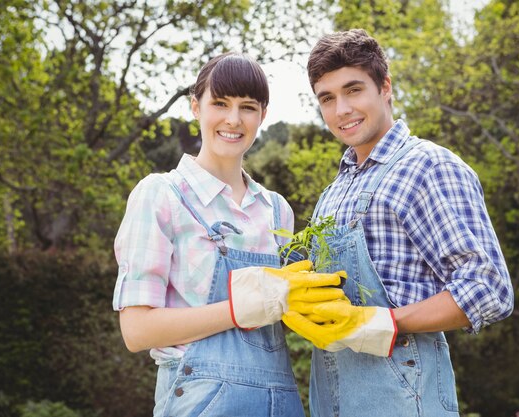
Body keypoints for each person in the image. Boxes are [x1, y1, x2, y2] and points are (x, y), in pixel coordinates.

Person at [282, 29, 515, 417]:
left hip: (404, 399)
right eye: (328, 98)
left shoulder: (428, 166)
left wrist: (382, 321)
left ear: (385, 86)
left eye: (353, 90)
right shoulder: (333, 192)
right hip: (333, 398)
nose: (341, 110)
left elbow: (488, 288)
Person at [112, 52, 346, 417]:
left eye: (248, 107)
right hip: (200, 402)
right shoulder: (162, 196)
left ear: (263, 115)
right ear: (195, 107)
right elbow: (137, 330)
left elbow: (289, 312)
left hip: (279, 400)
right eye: (220, 103)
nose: (233, 120)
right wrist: (239, 309)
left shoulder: (275, 209)